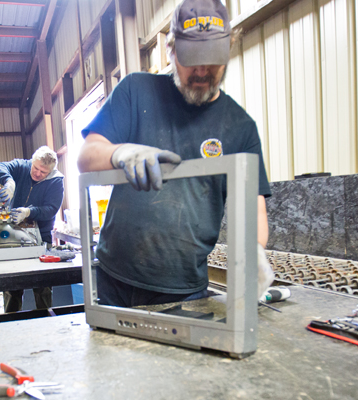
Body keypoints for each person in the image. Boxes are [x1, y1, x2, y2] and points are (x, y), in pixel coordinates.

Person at [77, 0, 272, 308]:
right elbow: (87, 156)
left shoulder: (240, 127)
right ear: (171, 50)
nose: (202, 71)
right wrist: (120, 152)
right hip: (116, 280)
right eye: (192, 59)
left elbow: (254, 207)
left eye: (212, 60)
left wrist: (256, 252)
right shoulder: (135, 91)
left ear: (229, 49)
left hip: (184, 290)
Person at [0, 145, 65, 312]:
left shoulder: (56, 181)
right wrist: (8, 181)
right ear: (32, 161)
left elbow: (51, 209)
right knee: (11, 285)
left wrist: (28, 212)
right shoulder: (22, 167)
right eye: (36, 168)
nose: (37, 173)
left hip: (41, 239)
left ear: (51, 171)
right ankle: (11, 321)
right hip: (13, 236)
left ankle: (45, 321)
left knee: (42, 286)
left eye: (43, 172)